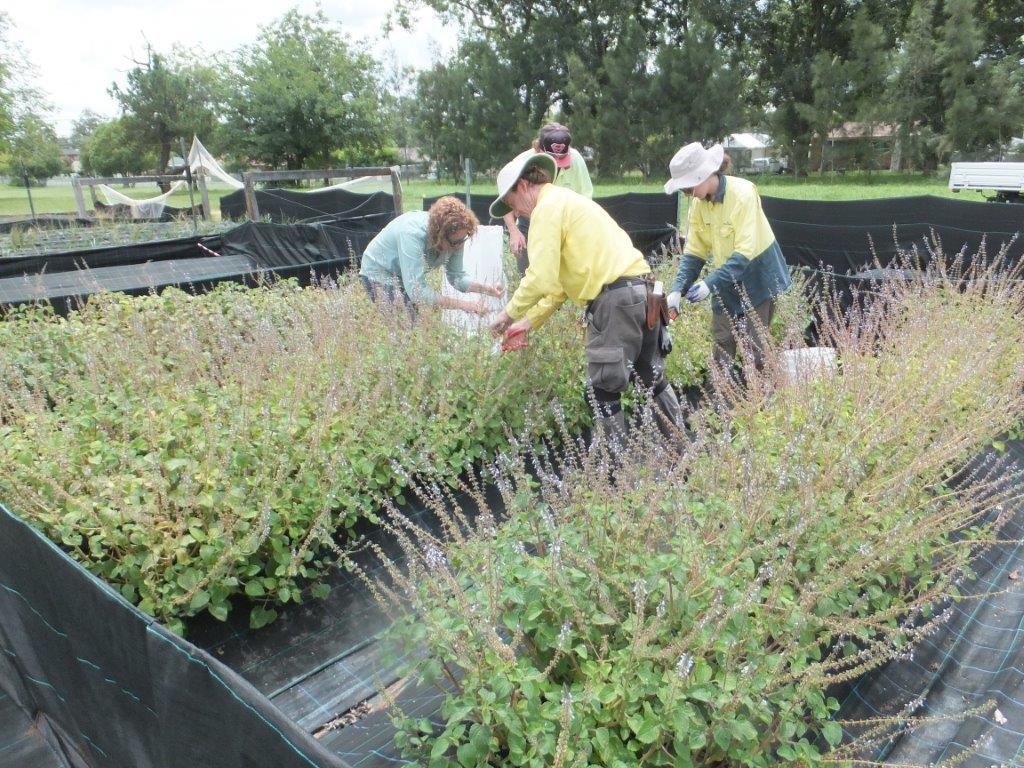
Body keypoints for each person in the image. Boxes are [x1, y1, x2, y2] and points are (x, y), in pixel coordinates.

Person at [490, 150, 682, 444]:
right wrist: (527, 323)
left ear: (523, 186)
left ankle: (615, 476)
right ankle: (683, 450)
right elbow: (558, 286)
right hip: (644, 293)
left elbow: (539, 276)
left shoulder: (546, 209)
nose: (515, 213)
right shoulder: (568, 201)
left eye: (512, 203)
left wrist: (507, 314)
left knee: (603, 391)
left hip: (615, 303)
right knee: (651, 377)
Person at [663, 142, 791, 371]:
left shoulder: (743, 194)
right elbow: (694, 251)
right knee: (723, 339)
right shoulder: (698, 204)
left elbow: (744, 254)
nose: (686, 194)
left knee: (756, 345)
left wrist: (708, 284)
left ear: (703, 176)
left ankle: (763, 399)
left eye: (688, 188)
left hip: (757, 272)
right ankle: (721, 401)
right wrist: (677, 289)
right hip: (726, 275)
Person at [359, 196, 504, 315]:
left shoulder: (457, 237)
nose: (460, 246)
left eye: (463, 239)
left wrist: (487, 288)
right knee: (405, 324)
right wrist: (464, 305)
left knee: (414, 326)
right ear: (439, 236)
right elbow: (418, 292)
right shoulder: (412, 235)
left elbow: (457, 277)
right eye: (456, 242)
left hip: (403, 275)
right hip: (379, 272)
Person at [504, 123, 594, 258]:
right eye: (551, 160)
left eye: (561, 160)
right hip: (530, 222)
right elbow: (506, 198)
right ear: (539, 150)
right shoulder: (522, 162)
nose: (556, 166)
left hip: (566, 225)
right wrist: (513, 231)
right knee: (528, 273)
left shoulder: (576, 159)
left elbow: (586, 202)